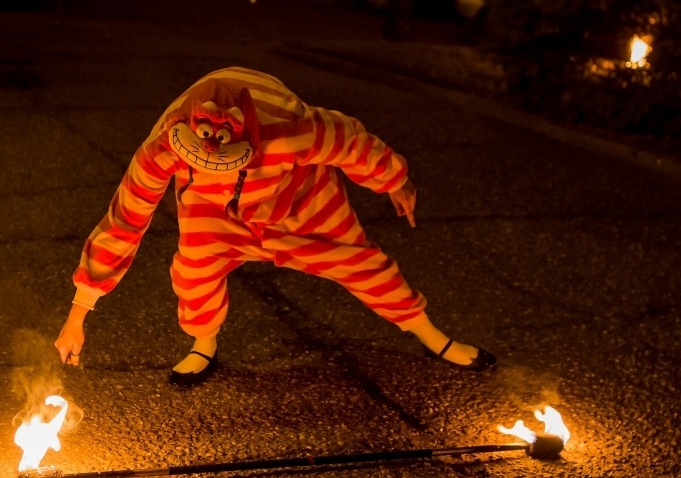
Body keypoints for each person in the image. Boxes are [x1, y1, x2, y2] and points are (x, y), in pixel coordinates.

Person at [54, 66, 495, 387]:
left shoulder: (290, 131)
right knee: (194, 269)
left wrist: (395, 180)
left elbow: (351, 142)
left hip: (299, 195)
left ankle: (431, 335)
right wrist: (79, 314)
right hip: (213, 209)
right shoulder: (163, 148)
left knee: (359, 261)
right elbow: (125, 219)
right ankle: (203, 343)